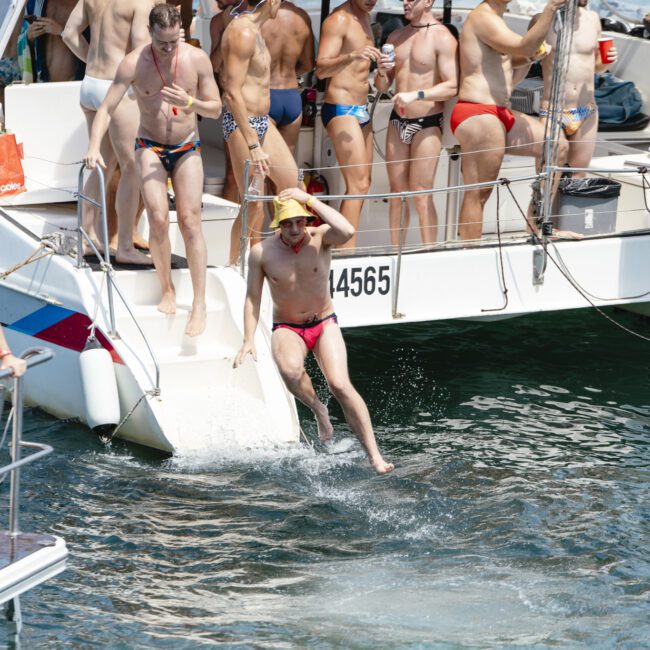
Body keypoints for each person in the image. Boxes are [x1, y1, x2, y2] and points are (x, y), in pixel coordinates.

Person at [233, 187, 394, 474]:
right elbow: (252, 297)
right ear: (279, 225)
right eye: (287, 223)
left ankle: (374, 455)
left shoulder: (321, 237)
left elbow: (347, 229)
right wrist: (248, 339)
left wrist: (309, 199)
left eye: (300, 221)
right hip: (287, 326)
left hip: (323, 322)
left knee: (341, 385)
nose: (295, 229)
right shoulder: (262, 252)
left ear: (307, 220)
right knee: (290, 371)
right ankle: (319, 409)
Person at [84, 4, 222, 336]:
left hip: (188, 145)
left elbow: (216, 109)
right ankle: (167, 289)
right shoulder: (134, 63)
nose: (169, 49)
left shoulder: (195, 60)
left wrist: (192, 103)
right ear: (150, 34)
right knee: (158, 218)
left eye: (174, 42)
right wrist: (92, 147)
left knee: (190, 221)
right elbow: (105, 109)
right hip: (150, 145)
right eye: (163, 43)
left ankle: (199, 303)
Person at [451, 0, 568, 241]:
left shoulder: (497, 20)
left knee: (556, 145)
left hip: (500, 112)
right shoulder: (482, 17)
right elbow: (523, 46)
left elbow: (513, 59)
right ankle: (468, 253)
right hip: (477, 111)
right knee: (479, 193)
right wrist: (550, 9)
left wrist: (530, 56)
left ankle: (535, 226)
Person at [63, 0, 157, 265]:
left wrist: (91, 61)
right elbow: (141, 47)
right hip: (117, 88)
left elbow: (69, 33)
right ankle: (125, 245)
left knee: (102, 162)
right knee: (133, 167)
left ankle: (87, 234)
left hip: (90, 82)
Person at [221, 0, 301, 265]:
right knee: (252, 204)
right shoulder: (242, 32)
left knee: (292, 184)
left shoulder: (256, 31)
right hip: (243, 125)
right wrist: (253, 144)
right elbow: (232, 92)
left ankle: (279, 254)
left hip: (262, 122)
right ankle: (234, 265)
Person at [374, 0, 458, 246]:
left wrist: (417, 95)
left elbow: (452, 85)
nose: (405, 3)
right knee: (397, 194)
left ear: (429, 1)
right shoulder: (396, 36)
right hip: (397, 121)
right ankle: (394, 254)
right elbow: (382, 86)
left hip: (428, 121)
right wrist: (380, 72)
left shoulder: (442, 37)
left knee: (421, 194)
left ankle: (428, 253)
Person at [316, 0, 393, 249]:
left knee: (361, 185)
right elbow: (320, 70)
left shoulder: (365, 20)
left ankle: (339, 247)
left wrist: (382, 71)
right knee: (357, 184)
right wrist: (352, 55)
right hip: (340, 107)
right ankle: (347, 255)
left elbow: (380, 85)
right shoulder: (339, 19)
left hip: (362, 109)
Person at [532, 0, 617, 178]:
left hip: (586, 111)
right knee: (545, 183)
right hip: (552, 112)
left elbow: (596, 66)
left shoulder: (593, 19)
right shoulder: (541, 20)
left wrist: (607, 61)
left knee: (577, 179)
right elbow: (527, 57)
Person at [261, 0, 315, 155]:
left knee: (260, 166)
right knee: (286, 167)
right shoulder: (302, 16)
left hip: (265, 94)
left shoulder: (259, 17)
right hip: (291, 97)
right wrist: (290, 71)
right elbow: (308, 64)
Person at [209, 0, 245, 206]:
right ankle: (226, 230)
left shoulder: (258, 16)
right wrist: (229, 32)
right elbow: (213, 65)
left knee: (266, 175)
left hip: (262, 102)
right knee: (233, 174)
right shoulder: (218, 22)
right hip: (234, 101)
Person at [22, 0, 85, 83]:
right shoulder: (35, 3)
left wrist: (61, 32)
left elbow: (93, 46)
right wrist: (29, 36)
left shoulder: (83, 4)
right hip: (42, 81)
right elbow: (20, 40)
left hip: (73, 83)